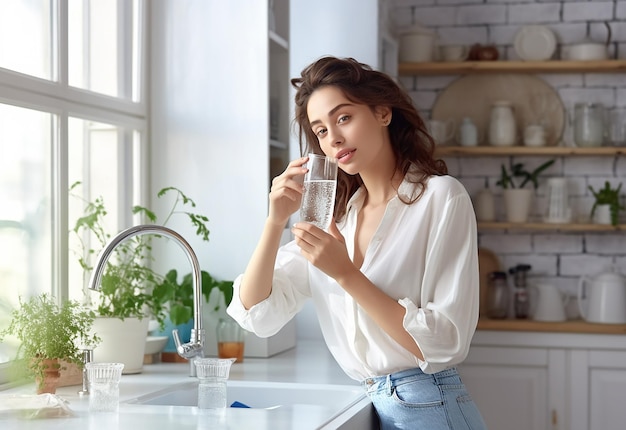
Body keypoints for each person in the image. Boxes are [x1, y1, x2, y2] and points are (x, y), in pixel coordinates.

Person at [227, 56, 486, 430]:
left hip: (430, 406)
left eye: (343, 118)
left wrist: (346, 274)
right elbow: (257, 315)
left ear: (383, 112)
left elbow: (444, 342)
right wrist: (275, 220)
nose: (332, 138)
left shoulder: (441, 198)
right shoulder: (339, 221)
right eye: (320, 130)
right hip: (374, 403)